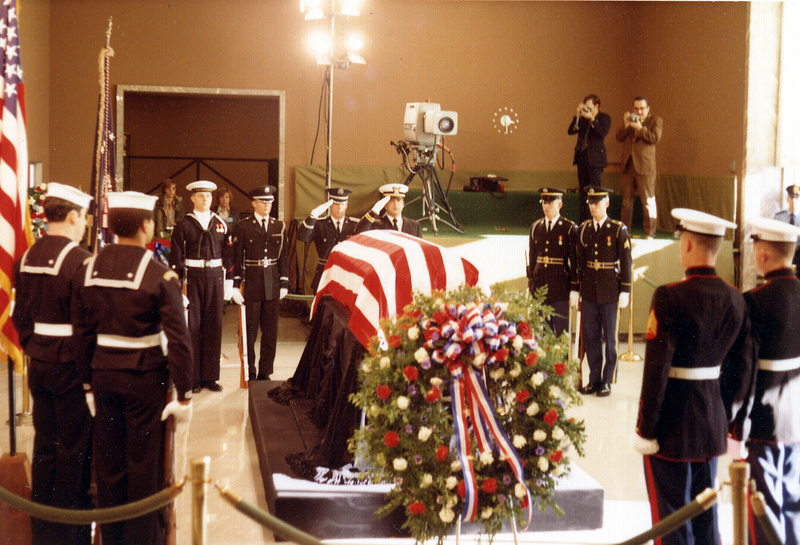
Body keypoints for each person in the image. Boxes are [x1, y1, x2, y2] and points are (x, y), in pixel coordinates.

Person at [72, 191, 193, 545]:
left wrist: (88, 384)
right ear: (146, 226)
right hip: (144, 381)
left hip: (102, 378)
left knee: (109, 468)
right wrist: (185, 394)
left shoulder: (86, 270)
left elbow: (81, 335)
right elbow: (179, 340)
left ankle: (112, 539)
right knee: (144, 470)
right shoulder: (160, 275)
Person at [634, 208, 755, 545]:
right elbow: (743, 368)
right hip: (712, 421)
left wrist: (646, 428)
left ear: (687, 245)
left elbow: (656, 371)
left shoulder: (669, 296)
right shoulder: (736, 299)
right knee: (706, 515)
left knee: (672, 520)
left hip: (672, 425)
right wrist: (726, 416)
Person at [12, 183, 94, 545]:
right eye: (84, 218)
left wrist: (33, 345)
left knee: (45, 446)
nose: (85, 225)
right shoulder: (81, 260)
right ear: (73, 217)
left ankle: (43, 531)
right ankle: (70, 534)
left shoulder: (26, 257)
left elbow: (19, 316)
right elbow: (89, 323)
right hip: (72, 363)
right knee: (74, 449)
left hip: (39, 361)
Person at [743, 217, 800, 545]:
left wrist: (736, 422)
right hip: (796, 415)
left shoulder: (754, 300)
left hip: (764, 420)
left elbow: (744, 369)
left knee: (762, 504)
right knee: (793, 502)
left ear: (763, 253)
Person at [168, 180, 233, 392]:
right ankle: (194, 378)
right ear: (192, 198)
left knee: (214, 325)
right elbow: (176, 258)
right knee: (193, 327)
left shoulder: (221, 224)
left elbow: (228, 255)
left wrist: (229, 281)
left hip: (215, 277)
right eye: (201, 195)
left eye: (208, 195)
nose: (205, 199)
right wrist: (177, 287)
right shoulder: (183, 225)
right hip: (193, 278)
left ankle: (210, 377)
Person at [572, 186, 632, 397]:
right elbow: (580, 262)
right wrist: (577, 288)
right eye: (590, 203)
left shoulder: (617, 229)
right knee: (591, 337)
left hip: (610, 291)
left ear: (606, 203)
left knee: (611, 340)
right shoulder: (584, 229)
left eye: (597, 203)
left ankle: (607, 380)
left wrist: (625, 290)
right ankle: (594, 379)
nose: (593, 207)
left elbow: (626, 262)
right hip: (589, 290)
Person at [231, 185, 289, 381]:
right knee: (250, 332)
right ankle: (250, 371)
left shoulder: (279, 226)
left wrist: (284, 282)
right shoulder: (243, 226)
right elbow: (237, 257)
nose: (267, 205)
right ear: (254, 203)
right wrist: (235, 284)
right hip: (252, 283)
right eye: (263, 202)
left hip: (272, 282)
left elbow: (283, 257)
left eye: (270, 202)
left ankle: (265, 372)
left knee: (270, 332)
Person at [527, 187, 577, 337]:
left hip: (560, 289)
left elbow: (574, 261)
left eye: (550, 203)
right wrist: (531, 284)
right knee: (541, 333)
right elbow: (532, 259)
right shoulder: (536, 227)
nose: (546, 206)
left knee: (562, 333)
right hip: (540, 287)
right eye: (544, 203)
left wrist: (575, 288)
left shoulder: (569, 228)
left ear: (560, 204)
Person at [616, 97, 663, 239]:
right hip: (628, 165)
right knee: (626, 202)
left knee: (648, 202)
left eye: (642, 108)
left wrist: (640, 128)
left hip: (645, 167)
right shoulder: (630, 120)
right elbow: (619, 137)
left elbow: (655, 138)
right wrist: (626, 125)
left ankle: (650, 233)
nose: (639, 111)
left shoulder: (655, 120)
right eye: (636, 108)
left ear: (648, 109)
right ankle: (624, 232)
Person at [297, 187, 359, 294]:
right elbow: (302, 237)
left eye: (342, 204)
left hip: (347, 274)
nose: (339, 207)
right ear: (330, 205)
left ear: (347, 205)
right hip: (324, 273)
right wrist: (313, 216)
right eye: (336, 204)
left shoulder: (354, 225)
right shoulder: (320, 224)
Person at [568, 94, 611, 224]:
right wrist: (577, 115)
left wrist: (592, 119)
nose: (586, 109)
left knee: (595, 192)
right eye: (585, 106)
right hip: (582, 158)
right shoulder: (582, 118)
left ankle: (597, 221)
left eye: (589, 106)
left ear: (597, 106)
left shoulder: (604, 118)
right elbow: (571, 131)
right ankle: (584, 223)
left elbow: (602, 133)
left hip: (595, 160)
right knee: (583, 193)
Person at [356, 183, 421, 237]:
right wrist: (374, 212)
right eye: (391, 201)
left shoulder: (414, 226)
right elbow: (359, 233)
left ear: (403, 204)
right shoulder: (376, 225)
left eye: (398, 200)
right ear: (385, 204)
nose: (395, 204)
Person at [773, 184, 800, 274]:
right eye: (791, 198)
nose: (794, 201)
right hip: (783, 254)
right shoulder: (779, 217)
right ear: (787, 199)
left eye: (796, 198)